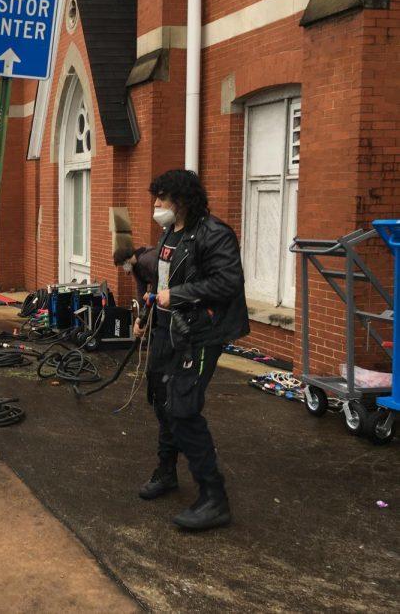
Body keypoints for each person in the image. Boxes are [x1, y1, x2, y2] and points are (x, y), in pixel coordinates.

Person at [133, 169, 250, 531]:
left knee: (183, 408)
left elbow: (228, 281)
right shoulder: (170, 233)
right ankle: (167, 472)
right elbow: (161, 279)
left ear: (182, 201)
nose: (156, 206)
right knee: (162, 399)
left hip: (200, 334)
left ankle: (214, 499)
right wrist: (145, 314)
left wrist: (177, 296)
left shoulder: (214, 234)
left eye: (162, 199)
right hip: (169, 329)